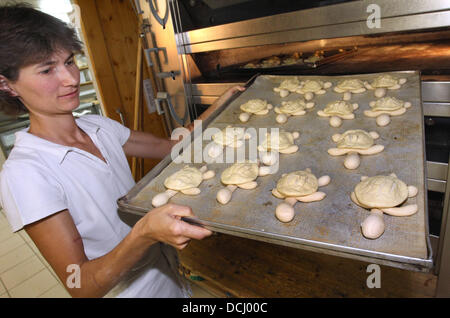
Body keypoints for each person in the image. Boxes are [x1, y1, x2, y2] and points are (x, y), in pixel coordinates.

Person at [0, 3, 245, 298]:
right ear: (7, 85)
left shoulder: (97, 127)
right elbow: (80, 285)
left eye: (68, 61)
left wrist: (218, 107)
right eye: (47, 69)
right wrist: (143, 233)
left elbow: (175, 147)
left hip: (175, 283)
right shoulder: (25, 173)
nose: (70, 79)